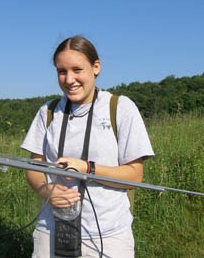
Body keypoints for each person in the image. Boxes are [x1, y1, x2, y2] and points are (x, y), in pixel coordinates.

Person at [21, 35, 154, 258]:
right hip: (52, 231)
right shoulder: (48, 111)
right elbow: (35, 165)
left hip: (107, 235)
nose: (69, 79)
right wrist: (47, 192)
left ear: (96, 67)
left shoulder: (120, 108)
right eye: (62, 71)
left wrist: (87, 168)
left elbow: (134, 175)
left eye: (77, 70)